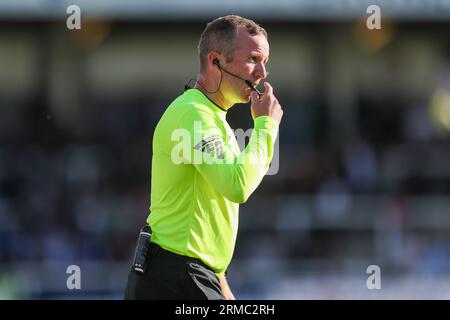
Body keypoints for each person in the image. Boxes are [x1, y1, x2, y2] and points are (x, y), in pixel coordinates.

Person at [124, 15, 283, 300]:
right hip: (174, 276)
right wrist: (267, 126)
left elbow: (203, 227)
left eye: (265, 62)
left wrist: (222, 288)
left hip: (189, 274)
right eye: (254, 59)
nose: (262, 72)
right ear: (216, 61)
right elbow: (237, 186)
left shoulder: (212, 118)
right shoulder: (193, 114)